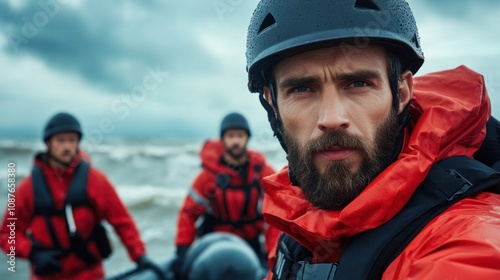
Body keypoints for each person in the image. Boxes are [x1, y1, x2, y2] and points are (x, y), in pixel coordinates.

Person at [245, 0, 500, 279]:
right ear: (273, 107)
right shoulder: (295, 225)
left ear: (401, 94)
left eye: (358, 83)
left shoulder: (463, 241)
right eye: (302, 88)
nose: (332, 118)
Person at [0, 112, 161, 280]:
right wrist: (32, 253)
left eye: (72, 140)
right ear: (48, 143)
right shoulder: (27, 188)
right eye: (60, 140)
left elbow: (123, 223)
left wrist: (140, 256)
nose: (67, 146)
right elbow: (7, 235)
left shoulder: (97, 180)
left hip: (89, 274)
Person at [173, 112, 276, 274]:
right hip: (213, 244)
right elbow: (188, 213)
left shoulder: (262, 172)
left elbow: (275, 218)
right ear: (223, 139)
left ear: (247, 138)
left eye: (240, 136)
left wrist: (273, 255)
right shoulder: (209, 175)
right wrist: (182, 250)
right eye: (231, 136)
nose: (236, 141)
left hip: (250, 243)